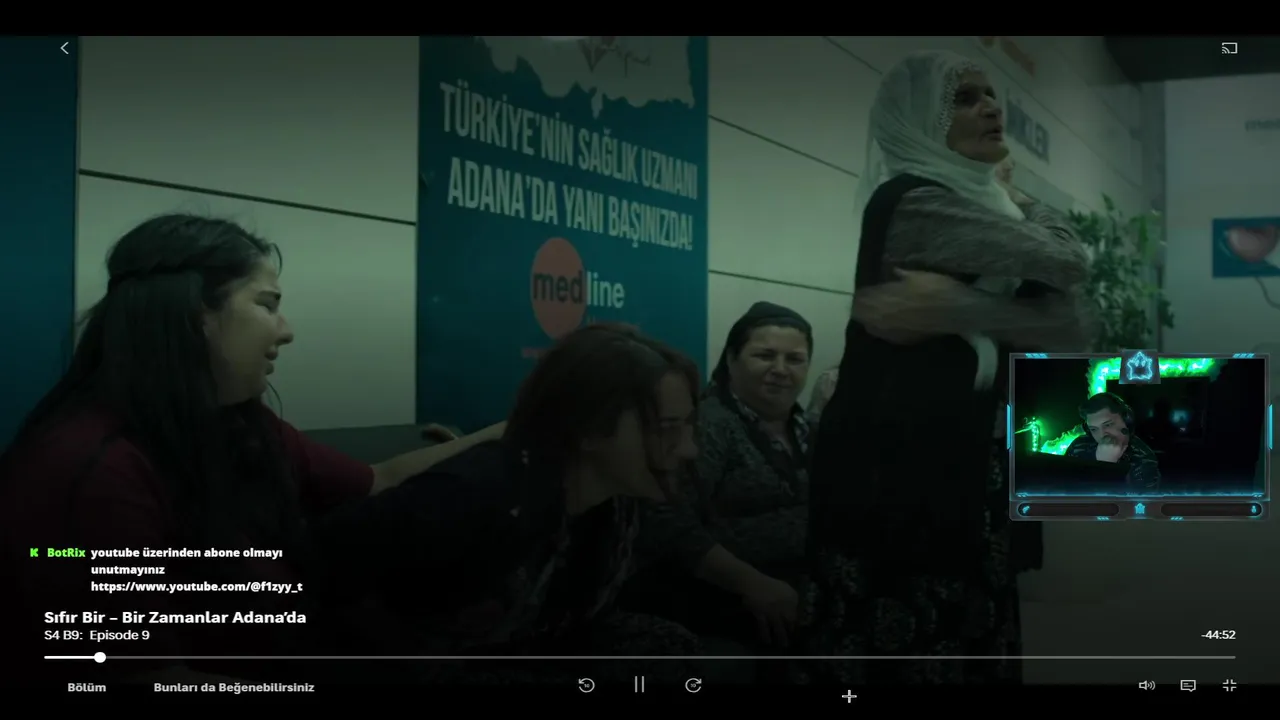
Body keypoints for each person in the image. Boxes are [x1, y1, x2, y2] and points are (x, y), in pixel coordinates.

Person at [0, 214, 503, 686]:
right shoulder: (92, 468)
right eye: (267, 304)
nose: (287, 330)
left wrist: (518, 429)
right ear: (195, 314)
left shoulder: (235, 423)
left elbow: (381, 480)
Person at [801, 50, 1092, 686]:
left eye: (991, 95)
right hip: (894, 477)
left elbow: (1072, 328)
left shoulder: (988, 210)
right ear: (918, 120)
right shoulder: (915, 202)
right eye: (963, 98)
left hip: (963, 467)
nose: (990, 108)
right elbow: (1068, 262)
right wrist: (1007, 302)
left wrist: (965, 306)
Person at [313, 322, 703, 684]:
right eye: (666, 430)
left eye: (687, 427)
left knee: (667, 648)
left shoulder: (614, 504)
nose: (689, 449)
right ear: (589, 428)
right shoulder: (472, 494)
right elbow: (314, 566)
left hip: (524, 646)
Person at [627, 302, 810, 660]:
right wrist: (751, 583)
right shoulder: (707, 425)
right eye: (765, 355)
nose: (780, 369)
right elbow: (665, 519)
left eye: (795, 359)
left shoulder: (813, 430)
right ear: (731, 359)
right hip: (719, 608)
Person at [1064, 392, 1161, 490]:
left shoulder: (1144, 457)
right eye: (1093, 429)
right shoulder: (1078, 446)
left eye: (1108, 425)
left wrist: (1106, 466)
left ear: (1126, 421)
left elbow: (1137, 498)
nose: (1101, 435)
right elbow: (1065, 488)